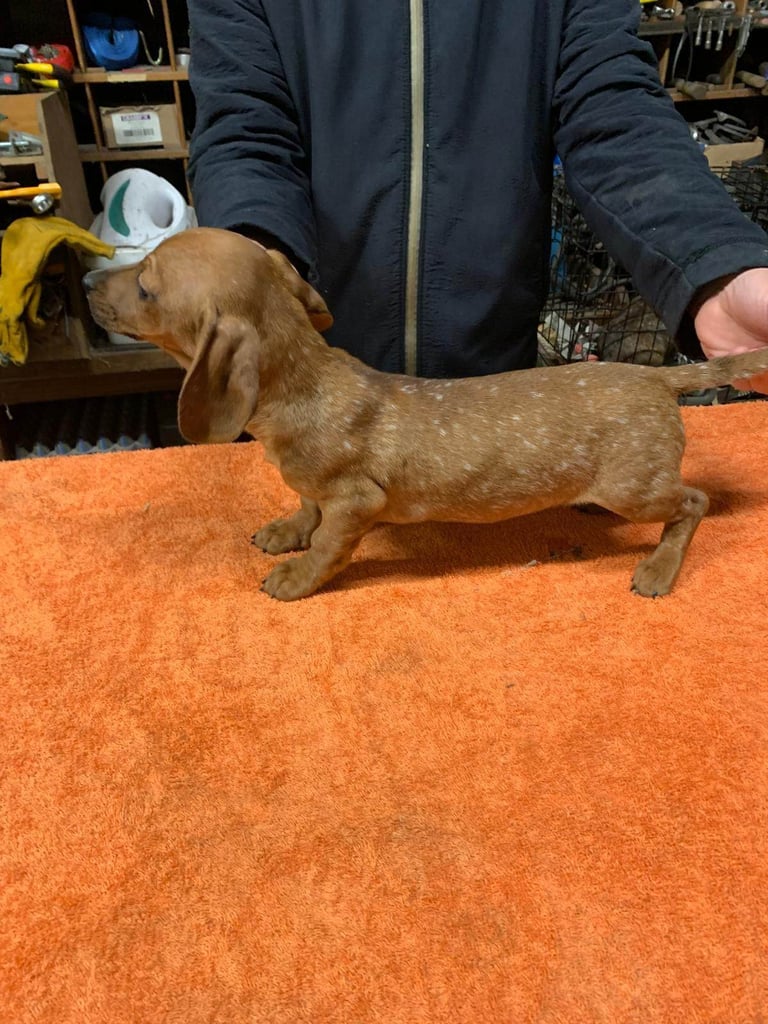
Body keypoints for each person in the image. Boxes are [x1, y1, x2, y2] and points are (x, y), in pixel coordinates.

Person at [185, 0, 768, 393]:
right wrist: (252, 264)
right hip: (306, 378)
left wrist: (715, 267)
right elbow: (244, 125)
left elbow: (612, 106)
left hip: (488, 390)